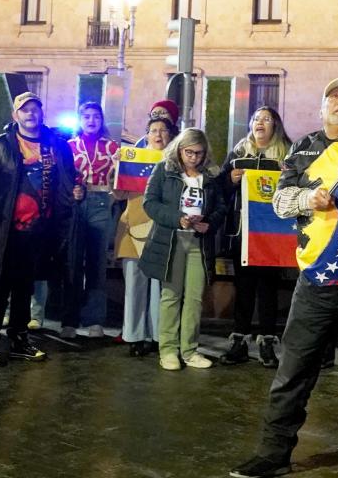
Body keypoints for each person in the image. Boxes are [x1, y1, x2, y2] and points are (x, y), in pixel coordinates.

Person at [230, 78, 338, 478]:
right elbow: (279, 202)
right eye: (335, 97)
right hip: (314, 279)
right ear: (322, 109)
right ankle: (275, 453)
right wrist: (308, 199)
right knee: (292, 371)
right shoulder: (302, 148)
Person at [0, 92, 74, 366]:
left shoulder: (58, 146)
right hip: (4, 232)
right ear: (15, 115)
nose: (31, 114)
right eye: (24, 109)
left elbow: (68, 183)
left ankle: (19, 338)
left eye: (35, 109)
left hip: (40, 232)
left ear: (42, 114)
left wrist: (78, 193)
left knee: (24, 288)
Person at [143, 128, 225, 370]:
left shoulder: (210, 175)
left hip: (198, 242)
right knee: (171, 295)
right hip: (172, 240)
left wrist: (208, 223)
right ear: (179, 150)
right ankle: (167, 350)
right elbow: (150, 203)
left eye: (199, 153)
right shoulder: (164, 170)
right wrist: (178, 218)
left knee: (195, 298)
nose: (194, 158)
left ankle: (189, 350)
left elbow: (221, 207)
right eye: (189, 152)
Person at [222, 106, 294, 367]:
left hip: (274, 233)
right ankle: (239, 341)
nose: (260, 123)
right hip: (244, 231)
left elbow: (300, 185)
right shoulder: (239, 153)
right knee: (243, 288)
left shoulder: (288, 154)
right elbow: (220, 188)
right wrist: (230, 179)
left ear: (276, 125)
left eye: (266, 119)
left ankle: (267, 342)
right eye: (256, 119)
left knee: (268, 289)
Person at [117, 114, 174, 358]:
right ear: (146, 135)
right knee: (134, 285)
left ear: (171, 135)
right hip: (134, 226)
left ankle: (158, 337)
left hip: (162, 228)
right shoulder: (132, 160)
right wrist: (117, 171)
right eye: (153, 130)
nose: (158, 134)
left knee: (159, 287)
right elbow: (118, 195)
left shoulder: (176, 163)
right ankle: (134, 336)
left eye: (163, 130)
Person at [63, 100, 119, 339]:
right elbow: (61, 177)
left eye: (96, 116)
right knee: (72, 263)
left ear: (102, 120)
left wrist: (115, 193)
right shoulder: (68, 146)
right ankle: (69, 321)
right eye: (86, 116)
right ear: (80, 119)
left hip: (100, 202)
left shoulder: (113, 147)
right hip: (76, 205)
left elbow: (123, 176)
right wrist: (70, 192)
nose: (91, 120)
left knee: (96, 264)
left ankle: (95, 320)